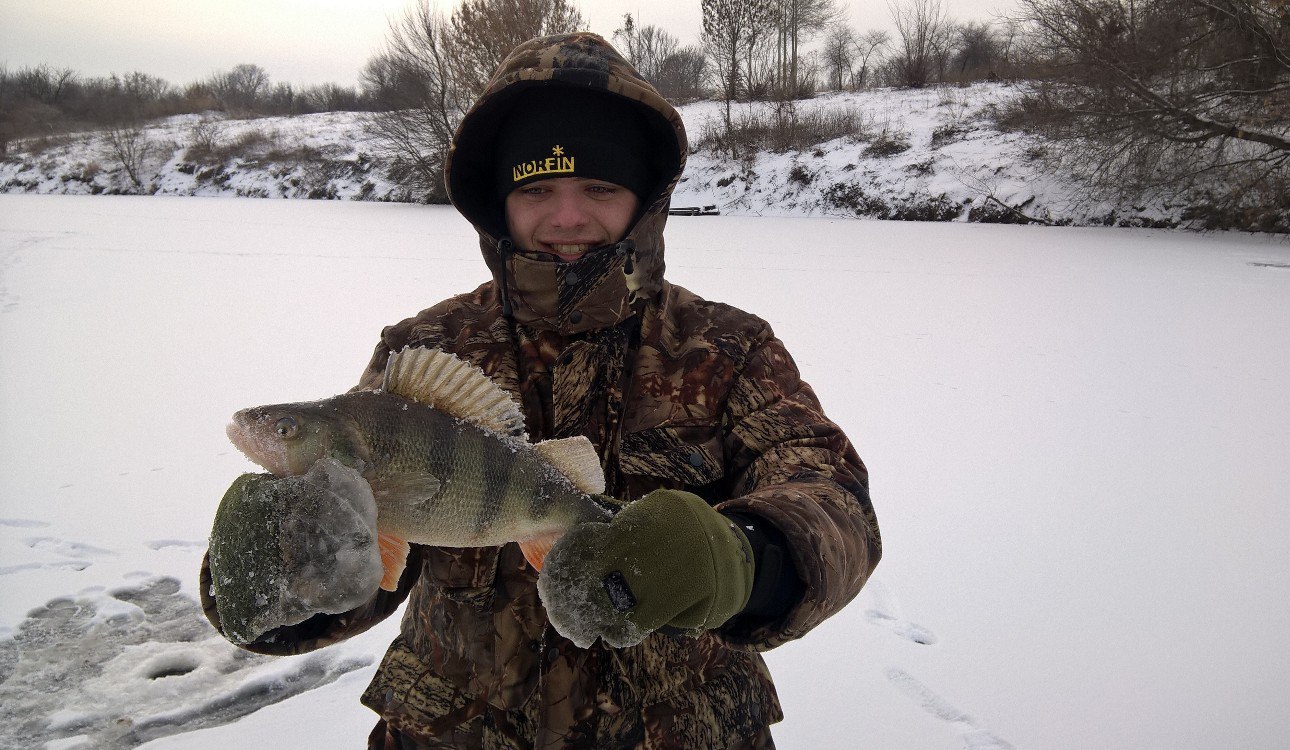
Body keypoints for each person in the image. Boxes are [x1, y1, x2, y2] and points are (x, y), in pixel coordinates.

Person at [202, 32, 880, 749]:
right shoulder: (424, 346)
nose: (566, 217)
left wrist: (742, 556)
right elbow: (378, 562)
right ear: (497, 201)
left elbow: (830, 497)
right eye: (536, 188)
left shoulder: (729, 346)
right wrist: (288, 573)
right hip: (452, 731)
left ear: (643, 199)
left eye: (599, 187)